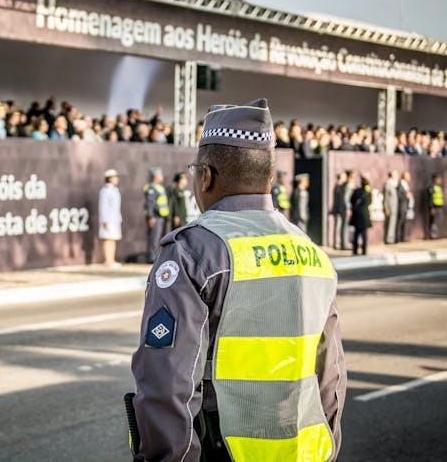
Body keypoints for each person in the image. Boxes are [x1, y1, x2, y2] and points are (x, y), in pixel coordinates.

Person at [130, 98, 345, 462]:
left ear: (205, 175)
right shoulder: (311, 253)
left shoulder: (192, 250)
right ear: (269, 177)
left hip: (224, 450)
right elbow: (330, 380)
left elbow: (168, 385)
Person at [143, 166, 170, 262]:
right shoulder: (151, 188)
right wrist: (151, 217)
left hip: (161, 216)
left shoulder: (159, 187)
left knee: (158, 237)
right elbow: (149, 204)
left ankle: (156, 256)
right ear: (155, 176)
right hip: (155, 217)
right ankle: (151, 257)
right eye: (160, 175)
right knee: (154, 238)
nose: (162, 176)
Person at [98, 169, 122, 267]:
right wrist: (104, 220)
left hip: (115, 219)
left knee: (113, 239)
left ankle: (112, 259)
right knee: (107, 239)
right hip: (108, 219)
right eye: (115, 177)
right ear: (110, 178)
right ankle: (108, 260)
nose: (117, 179)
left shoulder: (114, 190)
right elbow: (103, 206)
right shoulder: (105, 191)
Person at [350, 174, 372, 255]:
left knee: (356, 234)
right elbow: (370, 202)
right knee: (364, 235)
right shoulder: (367, 192)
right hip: (364, 215)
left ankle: (355, 250)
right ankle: (364, 251)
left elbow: (351, 200)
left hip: (357, 215)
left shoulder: (357, 191)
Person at [330, 172, 348, 249]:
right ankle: (337, 244)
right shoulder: (338, 186)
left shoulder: (340, 186)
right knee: (337, 227)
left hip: (340, 210)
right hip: (338, 210)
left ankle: (339, 243)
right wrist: (338, 210)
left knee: (340, 227)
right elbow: (338, 201)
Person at [383, 170, 400, 244]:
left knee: (393, 224)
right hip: (390, 207)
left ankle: (392, 238)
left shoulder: (395, 184)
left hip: (394, 207)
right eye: (395, 174)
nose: (397, 176)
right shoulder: (388, 184)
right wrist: (386, 207)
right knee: (390, 224)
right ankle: (389, 239)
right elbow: (386, 197)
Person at [396, 171, 412, 243]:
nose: (409, 177)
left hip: (405, 206)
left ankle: (403, 237)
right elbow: (399, 196)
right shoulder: (400, 185)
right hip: (401, 206)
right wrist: (406, 195)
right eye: (407, 176)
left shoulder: (406, 185)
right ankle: (398, 237)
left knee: (404, 222)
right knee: (400, 222)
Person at [427, 173, 443, 240]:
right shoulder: (431, 187)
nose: (440, 180)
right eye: (438, 179)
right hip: (434, 207)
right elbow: (430, 198)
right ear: (435, 179)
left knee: (437, 221)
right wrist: (431, 207)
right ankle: (432, 235)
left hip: (439, 206)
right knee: (433, 221)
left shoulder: (439, 187)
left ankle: (436, 234)